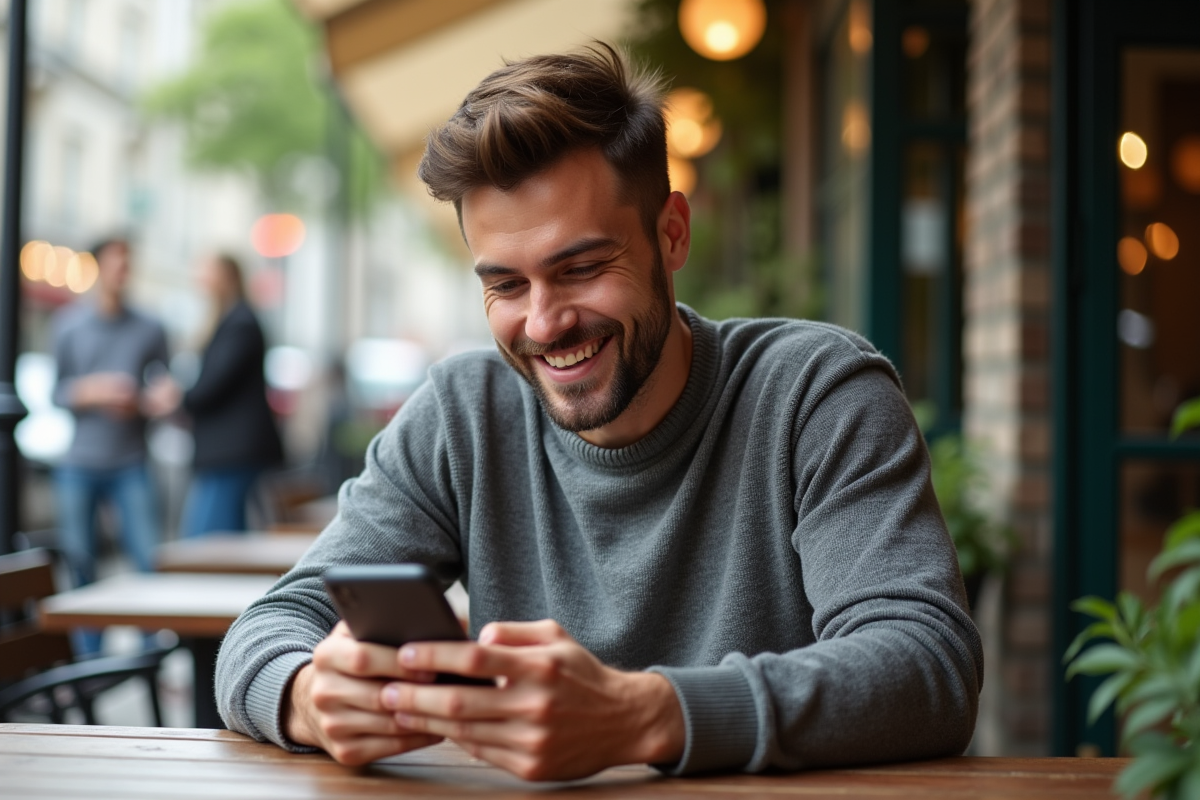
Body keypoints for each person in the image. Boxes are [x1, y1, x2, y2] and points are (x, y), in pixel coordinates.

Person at [216, 45, 983, 780]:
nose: (544, 323)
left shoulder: (814, 393)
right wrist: (308, 697)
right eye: (505, 285)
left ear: (671, 235)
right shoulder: (461, 417)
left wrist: (641, 716)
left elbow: (927, 662)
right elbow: (269, 627)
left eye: (581, 268)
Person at [52, 238, 170, 653]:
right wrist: (93, 391)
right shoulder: (68, 324)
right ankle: (90, 662)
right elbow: (57, 393)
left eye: (128, 264)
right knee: (81, 563)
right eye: (118, 263)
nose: (124, 272)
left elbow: (164, 390)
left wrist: (142, 401)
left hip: (132, 460)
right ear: (98, 267)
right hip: (79, 462)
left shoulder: (151, 327)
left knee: (147, 560)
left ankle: (151, 655)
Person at [149, 254, 283, 538]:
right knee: (228, 537)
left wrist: (177, 397)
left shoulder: (239, 323)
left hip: (232, 452)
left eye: (207, 273)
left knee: (205, 540)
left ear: (227, 278)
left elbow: (213, 384)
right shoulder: (232, 321)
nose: (200, 280)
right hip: (229, 452)